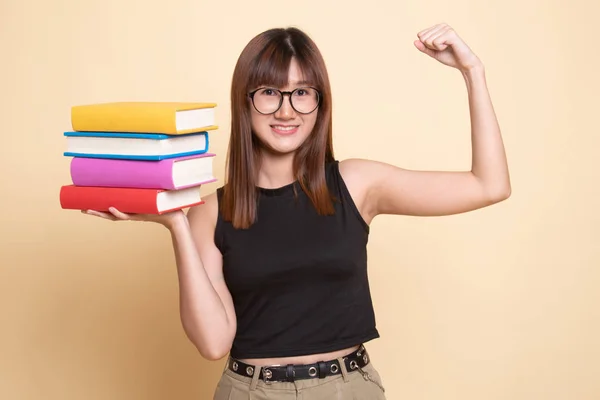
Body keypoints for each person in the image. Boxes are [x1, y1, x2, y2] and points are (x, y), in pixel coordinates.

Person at [83, 23, 511, 399]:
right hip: (249, 391)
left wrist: (473, 72)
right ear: (245, 101)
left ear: (320, 104)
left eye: (302, 93)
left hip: (347, 390)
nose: (286, 110)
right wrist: (175, 223)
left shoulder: (357, 184)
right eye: (270, 92)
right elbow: (214, 343)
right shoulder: (210, 212)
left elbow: (488, 186)